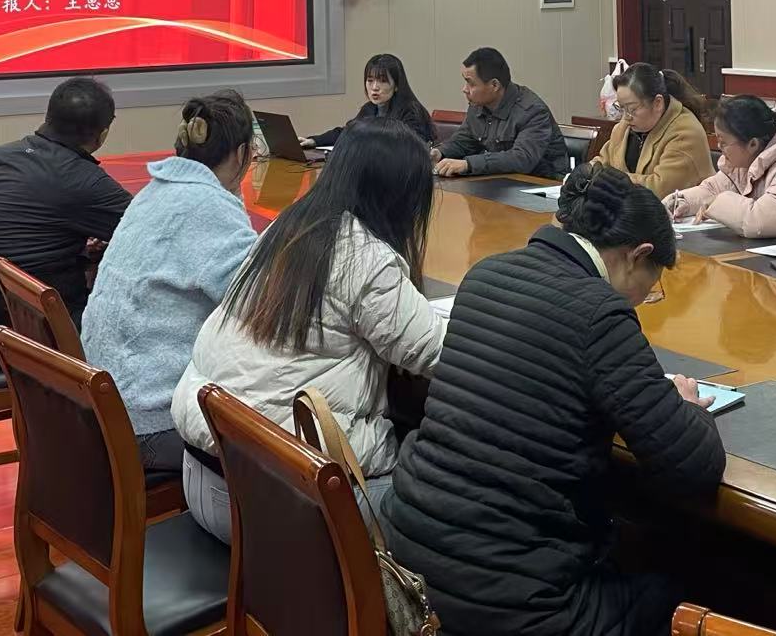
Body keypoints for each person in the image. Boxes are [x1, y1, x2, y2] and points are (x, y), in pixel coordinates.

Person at [387, 164, 726, 636]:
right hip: (510, 599)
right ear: (638, 255)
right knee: (690, 586)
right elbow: (694, 468)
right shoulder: (599, 313)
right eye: (650, 287)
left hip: (410, 559)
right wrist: (687, 407)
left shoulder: (486, 274)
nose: (642, 300)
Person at [170, 117, 443, 543]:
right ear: (400, 196)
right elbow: (439, 353)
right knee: (446, 489)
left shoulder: (288, 227)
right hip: (274, 508)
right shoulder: (364, 258)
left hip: (205, 478)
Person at [81, 93, 258, 476]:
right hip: (151, 422)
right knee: (286, 452)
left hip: (107, 404)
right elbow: (258, 302)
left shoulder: (156, 191)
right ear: (243, 153)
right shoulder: (207, 207)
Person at [0, 77, 131, 348]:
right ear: (102, 134)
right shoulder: (86, 181)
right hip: (49, 342)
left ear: (48, 116)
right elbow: (147, 233)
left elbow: (9, 227)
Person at [665, 96, 776, 237]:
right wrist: (682, 201)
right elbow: (713, 188)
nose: (719, 147)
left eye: (724, 142)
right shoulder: (747, 160)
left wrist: (715, 202)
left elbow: (760, 221)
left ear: (752, 143)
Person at [431, 46, 569, 179]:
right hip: (503, 181)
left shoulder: (532, 111)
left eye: (471, 83)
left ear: (494, 85)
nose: (465, 89)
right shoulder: (478, 105)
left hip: (542, 184)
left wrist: (468, 165)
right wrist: (440, 153)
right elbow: (464, 141)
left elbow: (521, 159)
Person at [589, 62, 713, 199]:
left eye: (632, 109)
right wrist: (587, 172)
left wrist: (607, 179)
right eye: (621, 108)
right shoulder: (623, 128)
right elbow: (603, 161)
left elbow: (659, 190)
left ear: (658, 103)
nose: (626, 117)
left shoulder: (686, 133)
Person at [300, 52, 435, 150]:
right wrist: (314, 141)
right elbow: (349, 132)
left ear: (396, 85)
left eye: (382, 81)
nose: (374, 87)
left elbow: (413, 147)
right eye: (370, 81)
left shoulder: (411, 111)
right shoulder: (369, 108)